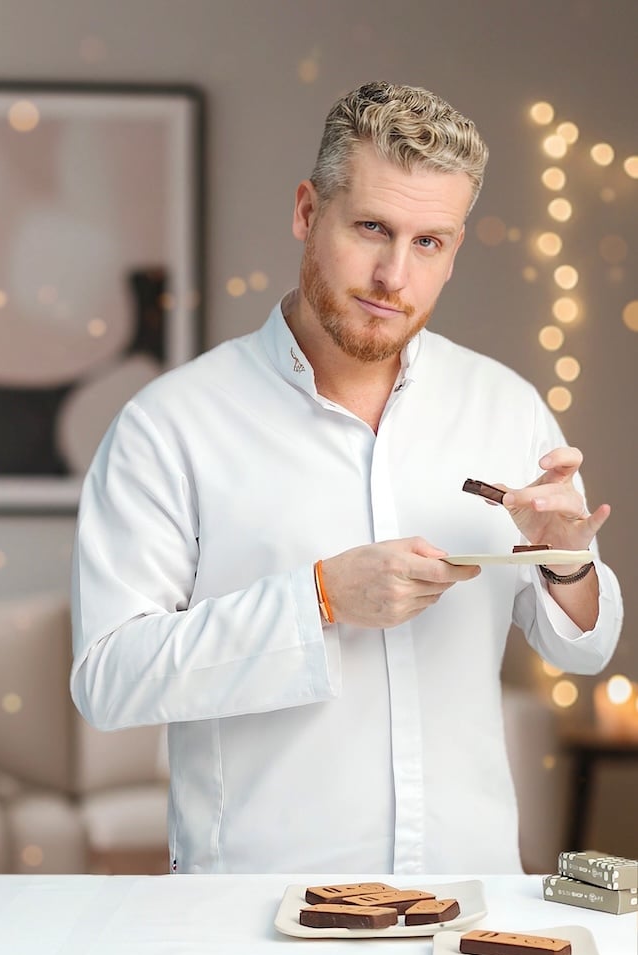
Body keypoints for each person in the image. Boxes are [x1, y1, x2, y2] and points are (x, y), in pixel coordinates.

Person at [70, 81, 623, 875]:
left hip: (464, 903)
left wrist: (567, 562)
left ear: (455, 248)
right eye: (372, 227)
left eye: (429, 242)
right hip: (257, 915)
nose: (394, 275)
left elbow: (585, 651)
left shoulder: (507, 409)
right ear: (306, 212)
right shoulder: (171, 425)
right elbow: (108, 679)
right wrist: (318, 599)